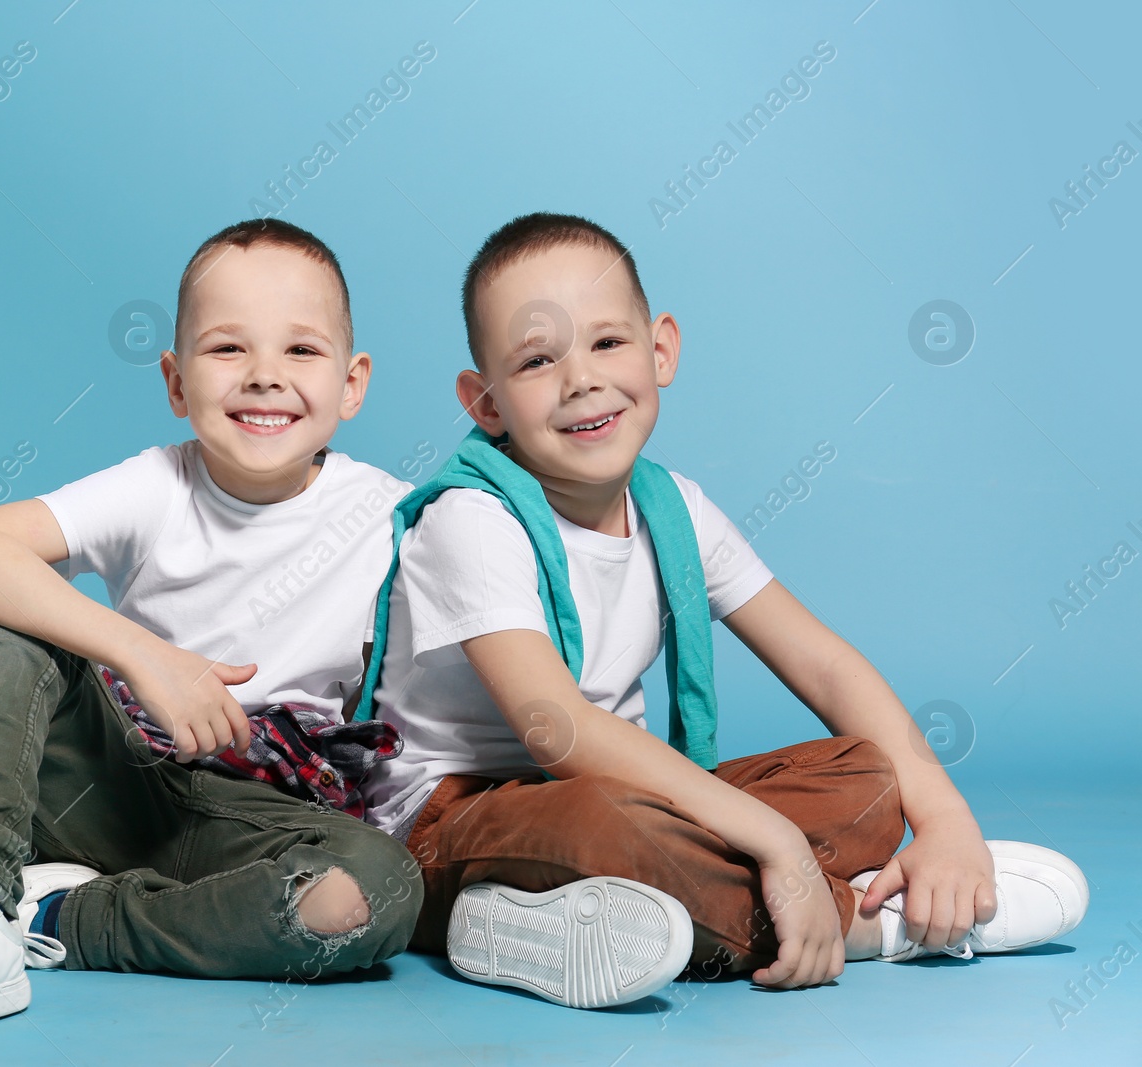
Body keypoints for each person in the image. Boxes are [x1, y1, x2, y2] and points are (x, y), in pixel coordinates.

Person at [357, 211, 1088, 1008]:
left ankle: (541, 922)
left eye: (607, 342)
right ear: (486, 402)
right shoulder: (473, 519)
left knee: (869, 776)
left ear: (660, 347)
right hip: (447, 825)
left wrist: (944, 818)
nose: (582, 381)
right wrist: (776, 840)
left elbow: (826, 664)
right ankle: (879, 921)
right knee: (608, 825)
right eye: (537, 360)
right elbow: (555, 730)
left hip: (626, 796)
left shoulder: (676, 509)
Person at [0, 219, 423, 1045]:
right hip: (114, 783)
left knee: (376, 889)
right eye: (227, 350)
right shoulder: (156, 485)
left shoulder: (392, 516)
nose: (263, 377)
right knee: (10, 625)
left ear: (352, 382)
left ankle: (56, 915)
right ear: (177, 383)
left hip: (254, 826)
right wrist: (146, 655)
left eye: (301, 351)